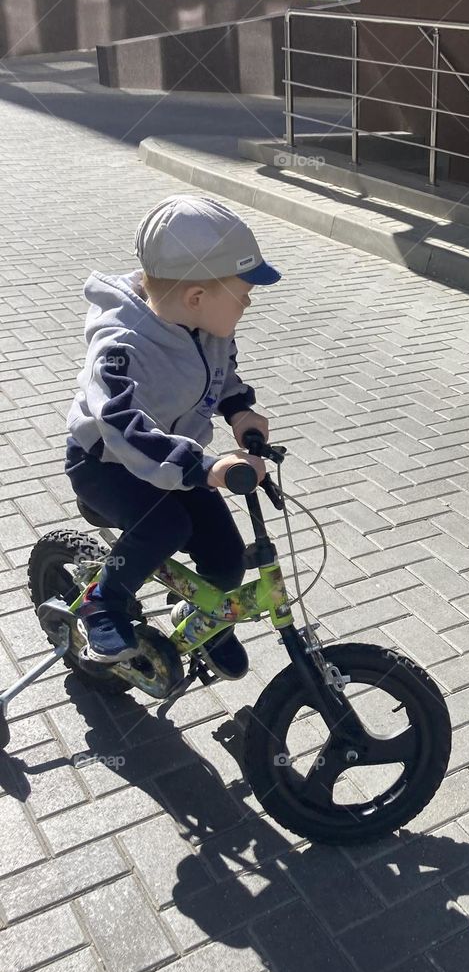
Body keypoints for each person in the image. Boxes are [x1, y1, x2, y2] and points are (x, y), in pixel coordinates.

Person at [64, 195, 281, 678]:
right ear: (197, 297)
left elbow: (220, 372)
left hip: (177, 462)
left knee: (227, 560)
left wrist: (239, 409)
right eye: (243, 292)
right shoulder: (120, 346)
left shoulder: (203, 324)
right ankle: (103, 602)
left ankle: (207, 622)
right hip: (107, 465)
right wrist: (204, 469)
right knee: (166, 528)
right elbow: (123, 426)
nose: (248, 302)